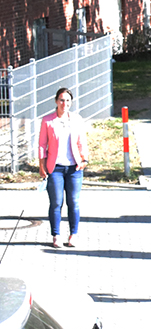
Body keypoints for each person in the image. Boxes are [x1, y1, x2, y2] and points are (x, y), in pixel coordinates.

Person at [38, 87, 89, 248]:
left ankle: (73, 234)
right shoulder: (48, 121)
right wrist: (41, 166)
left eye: (67, 100)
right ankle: (56, 235)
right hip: (55, 168)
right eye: (61, 100)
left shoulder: (76, 119)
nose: (64, 103)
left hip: (74, 168)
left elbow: (82, 141)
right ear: (56, 101)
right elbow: (42, 144)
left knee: (73, 202)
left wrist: (84, 159)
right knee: (56, 202)